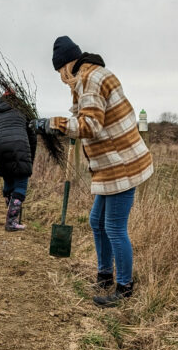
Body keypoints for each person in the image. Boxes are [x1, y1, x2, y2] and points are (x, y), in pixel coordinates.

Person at [31, 35, 153, 307]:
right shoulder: (88, 78)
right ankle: (104, 275)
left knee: (114, 227)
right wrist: (56, 124)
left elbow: (91, 125)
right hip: (110, 165)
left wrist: (55, 124)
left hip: (122, 164)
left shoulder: (91, 80)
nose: (61, 78)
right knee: (97, 221)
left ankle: (124, 288)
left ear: (68, 65)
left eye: (60, 72)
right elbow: (84, 117)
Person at [0, 88, 37, 231]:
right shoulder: (24, 110)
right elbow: (32, 137)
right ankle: (11, 222)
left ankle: (11, 214)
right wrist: (30, 159)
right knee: (21, 183)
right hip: (19, 145)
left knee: (8, 178)